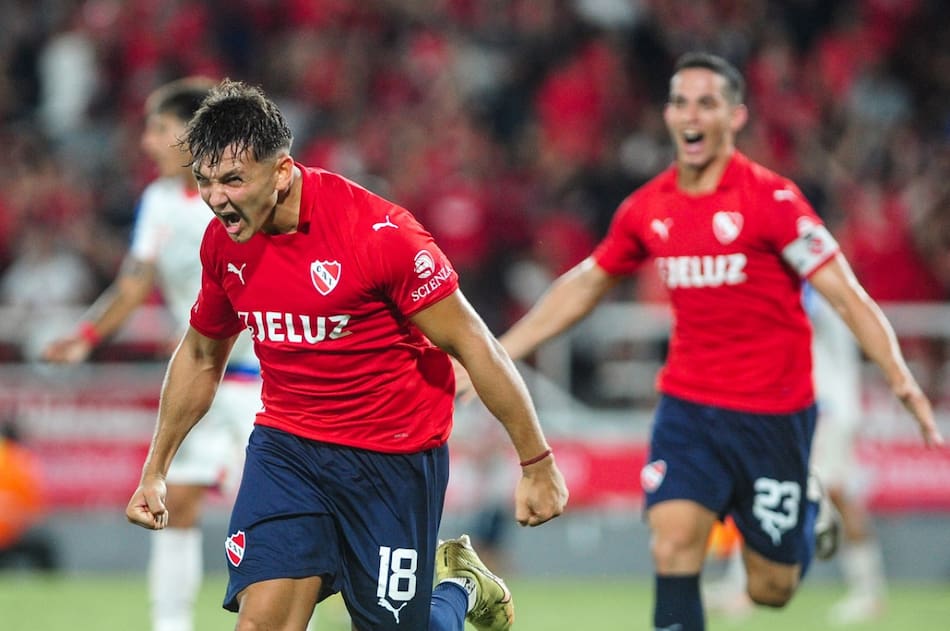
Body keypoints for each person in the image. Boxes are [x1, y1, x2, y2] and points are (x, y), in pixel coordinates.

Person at [458, 52, 943, 631]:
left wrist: (898, 375)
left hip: (772, 418)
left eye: (707, 102)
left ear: (735, 116)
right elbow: (587, 283)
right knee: (674, 543)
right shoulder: (649, 207)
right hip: (689, 410)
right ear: (668, 114)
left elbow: (845, 293)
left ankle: (809, 511)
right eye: (681, 101)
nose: (692, 113)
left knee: (771, 589)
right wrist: (499, 350)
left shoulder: (774, 201)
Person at [124, 79, 568, 631]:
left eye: (234, 180)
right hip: (288, 450)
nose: (218, 199)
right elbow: (199, 355)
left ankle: (458, 589)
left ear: (282, 172)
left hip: (391, 458)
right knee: (261, 624)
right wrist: (156, 469)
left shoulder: (379, 236)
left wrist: (537, 464)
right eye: (206, 181)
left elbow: (474, 344)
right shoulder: (224, 243)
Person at [44, 77, 262, 631]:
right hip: (204, 374)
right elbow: (135, 282)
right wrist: (87, 336)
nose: (146, 141)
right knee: (177, 503)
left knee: (272, 509)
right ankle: (170, 625)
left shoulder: (246, 191)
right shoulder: (160, 201)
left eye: (158, 128)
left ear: (192, 136)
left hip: (268, 376)